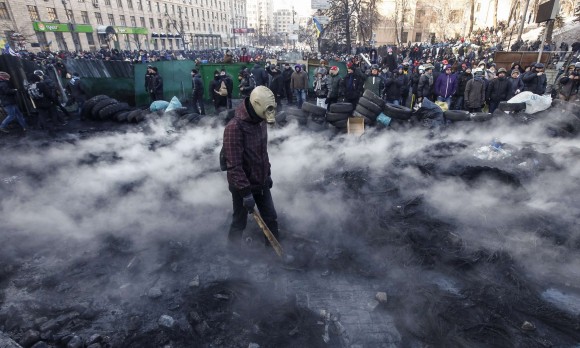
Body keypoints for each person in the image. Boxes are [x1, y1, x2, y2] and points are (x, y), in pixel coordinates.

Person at [222, 86, 279, 247]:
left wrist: (267, 174)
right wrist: (246, 193)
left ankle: (273, 250)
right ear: (256, 104)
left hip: (260, 181)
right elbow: (234, 165)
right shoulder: (234, 128)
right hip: (241, 186)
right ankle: (233, 253)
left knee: (270, 216)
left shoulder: (261, 121)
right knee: (239, 221)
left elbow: (263, 152)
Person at [28, 70, 66, 135]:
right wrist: (54, 100)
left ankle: (46, 129)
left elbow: (28, 97)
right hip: (47, 103)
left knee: (43, 117)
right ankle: (57, 126)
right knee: (53, 114)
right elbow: (48, 94)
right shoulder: (41, 84)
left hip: (38, 104)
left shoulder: (29, 86)